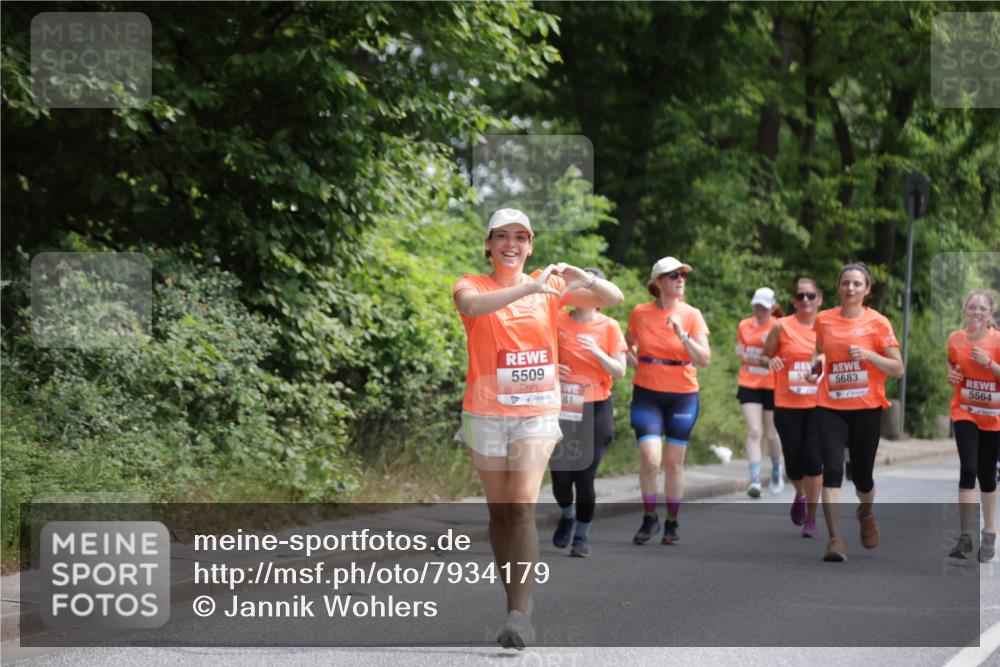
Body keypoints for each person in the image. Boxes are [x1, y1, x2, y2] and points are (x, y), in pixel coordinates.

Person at [453, 208, 623, 649]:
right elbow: (471, 308)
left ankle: (520, 615)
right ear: (489, 244)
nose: (512, 244)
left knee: (523, 506)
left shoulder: (551, 290)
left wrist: (578, 276)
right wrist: (529, 285)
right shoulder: (472, 284)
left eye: (521, 237)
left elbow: (614, 298)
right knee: (500, 514)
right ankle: (511, 600)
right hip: (485, 413)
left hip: (536, 413)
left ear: (530, 246)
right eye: (503, 236)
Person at [807, 263, 904, 562]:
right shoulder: (824, 320)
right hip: (830, 406)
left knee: (863, 477)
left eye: (857, 284)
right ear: (838, 287)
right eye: (846, 283)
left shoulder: (878, 323)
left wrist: (871, 355)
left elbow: (898, 369)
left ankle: (866, 511)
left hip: (866, 408)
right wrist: (816, 368)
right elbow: (820, 350)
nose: (851, 288)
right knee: (832, 472)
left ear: (867, 290)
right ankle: (835, 540)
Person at [626, 256, 711, 546]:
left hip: (682, 395)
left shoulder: (692, 315)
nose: (680, 279)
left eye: (683, 275)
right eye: (673, 275)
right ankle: (650, 517)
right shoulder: (640, 313)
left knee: (673, 464)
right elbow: (627, 344)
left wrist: (682, 335)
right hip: (647, 393)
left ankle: (673, 521)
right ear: (658, 282)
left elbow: (704, 358)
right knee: (650, 459)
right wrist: (630, 359)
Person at [550, 268, 628, 558]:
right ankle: (567, 515)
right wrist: (552, 368)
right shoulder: (556, 320)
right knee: (560, 477)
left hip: (596, 406)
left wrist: (597, 353)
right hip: (562, 406)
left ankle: (581, 536)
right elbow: (541, 353)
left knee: (584, 476)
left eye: (590, 289)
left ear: (599, 297)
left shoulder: (609, 326)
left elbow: (620, 370)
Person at [760, 279, 824, 537]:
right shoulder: (782, 326)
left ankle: (811, 518)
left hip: (820, 405)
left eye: (811, 295)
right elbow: (764, 356)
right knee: (794, 466)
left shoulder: (828, 327)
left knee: (813, 460)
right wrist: (771, 361)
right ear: (794, 302)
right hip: (787, 404)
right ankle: (799, 493)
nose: (806, 300)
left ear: (819, 298)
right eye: (801, 296)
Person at [945, 290, 1000, 563]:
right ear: (965, 311)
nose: (976, 312)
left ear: (990, 314)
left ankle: (989, 531)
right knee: (968, 468)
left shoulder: (998, 341)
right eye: (972, 307)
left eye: (982, 309)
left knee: (987, 476)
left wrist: (989, 363)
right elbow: (952, 365)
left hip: (994, 417)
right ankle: (965, 535)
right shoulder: (955, 338)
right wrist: (951, 373)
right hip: (964, 411)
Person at [736, 287, 784, 498]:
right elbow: (740, 352)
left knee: (772, 433)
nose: (760, 310)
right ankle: (755, 480)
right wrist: (758, 358)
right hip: (749, 383)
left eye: (764, 307)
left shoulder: (779, 326)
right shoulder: (744, 325)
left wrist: (754, 357)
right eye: (757, 306)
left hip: (773, 385)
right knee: (754, 431)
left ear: (772, 308)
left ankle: (776, 470)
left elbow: (779, 357)